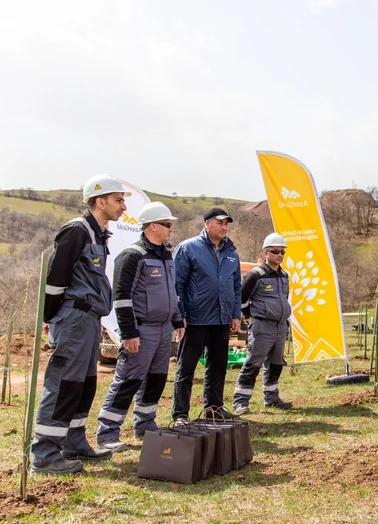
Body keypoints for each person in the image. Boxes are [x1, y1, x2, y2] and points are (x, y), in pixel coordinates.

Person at [32, 175, 129, 474]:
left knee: (83, 385)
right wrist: (51, 318)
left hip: (88, 319)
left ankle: (73, 444)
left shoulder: (99, 234)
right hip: (73, 318)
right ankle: (45, 455)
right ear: (100, 202)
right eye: (118, 200)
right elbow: (56, 279)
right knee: (64, 385)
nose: (123, 206)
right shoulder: (76, 231)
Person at [96, 202, 185, 451]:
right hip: (142, 329)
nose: (170, 229)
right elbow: (122, 297)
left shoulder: (167, 255)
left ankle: (145, 424)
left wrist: (177, 320)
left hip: (163, 329)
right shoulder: (132, 256)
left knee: (156, 379)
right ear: (153, 226)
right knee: (128, 380)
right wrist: (129, 333)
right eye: (167, 225)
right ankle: (108, 433)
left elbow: (172, 293)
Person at [173, 207, 242, 423]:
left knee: (218, 367)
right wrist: (180, 314)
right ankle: (181, 414)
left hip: (221, 320)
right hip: (195, 319)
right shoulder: (188, 248)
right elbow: (177, 285)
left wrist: (235, 314)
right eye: (220, 223)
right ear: (207, 224)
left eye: (226, 224)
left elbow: (237, 286)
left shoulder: (232, 254)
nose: (224, 227)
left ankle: (214, 409)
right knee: (187, 368)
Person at [233, 232, 293, 415]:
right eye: (275, 251)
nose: (280, 255)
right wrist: (253, 317)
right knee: (253, 363)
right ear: (266, 253)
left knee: (276, 364)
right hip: (262, 326)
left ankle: (271, 398)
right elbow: (242, 300)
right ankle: (241, 402)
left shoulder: (284, 275)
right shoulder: (255, 275)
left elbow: (283, 298)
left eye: (282, 252)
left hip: (280, 326)